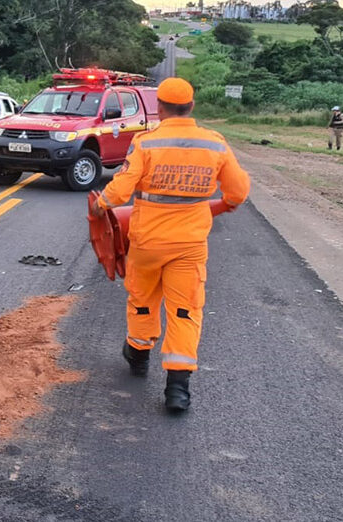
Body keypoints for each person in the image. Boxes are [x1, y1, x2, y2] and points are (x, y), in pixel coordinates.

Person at [90, 77, 250, 412]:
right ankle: (177, 389)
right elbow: (237, 194)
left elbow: (120, 190)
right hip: (189, 245)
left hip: (147, 241)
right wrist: (214, 207)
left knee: (143, 298)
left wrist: (100, 205)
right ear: (192, 107)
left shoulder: (147, 143)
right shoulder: (215, 143)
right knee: (184, 310)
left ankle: (138, 354)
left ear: (159, 108)